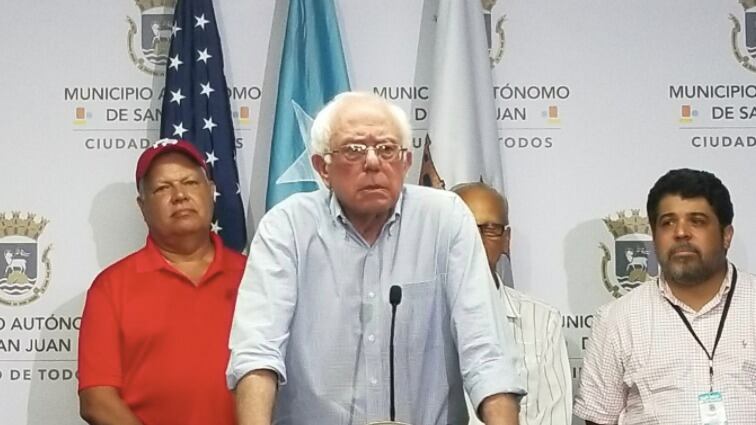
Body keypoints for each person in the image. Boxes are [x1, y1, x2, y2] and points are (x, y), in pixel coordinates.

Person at [227, 92, 525, 425]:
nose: (372, 162)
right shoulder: (287, 227)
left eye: (386, 149)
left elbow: (487, 352)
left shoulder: (446, 218)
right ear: (323, 168)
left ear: (406, 162)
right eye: (354, 150)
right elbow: (257, 353)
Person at [77, 139, 245, 425]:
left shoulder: (255, 276)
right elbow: (97, 400)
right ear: (142, 207)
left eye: (190, 182)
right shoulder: (111, 287)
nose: (179, 195)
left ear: (211, 191)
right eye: (162, 188)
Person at [574, 168, 756, 424]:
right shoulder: (618, 320)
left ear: (726, 235)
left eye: (697, 221)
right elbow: (598, 418)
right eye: (668, 222)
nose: (681, 233)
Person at [452, 182, 572, 425]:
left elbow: (554, 417)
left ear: (506, 239)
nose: (476, 239)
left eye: (490, 229)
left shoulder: (541, 321)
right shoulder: (413, 318)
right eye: (464, 227)